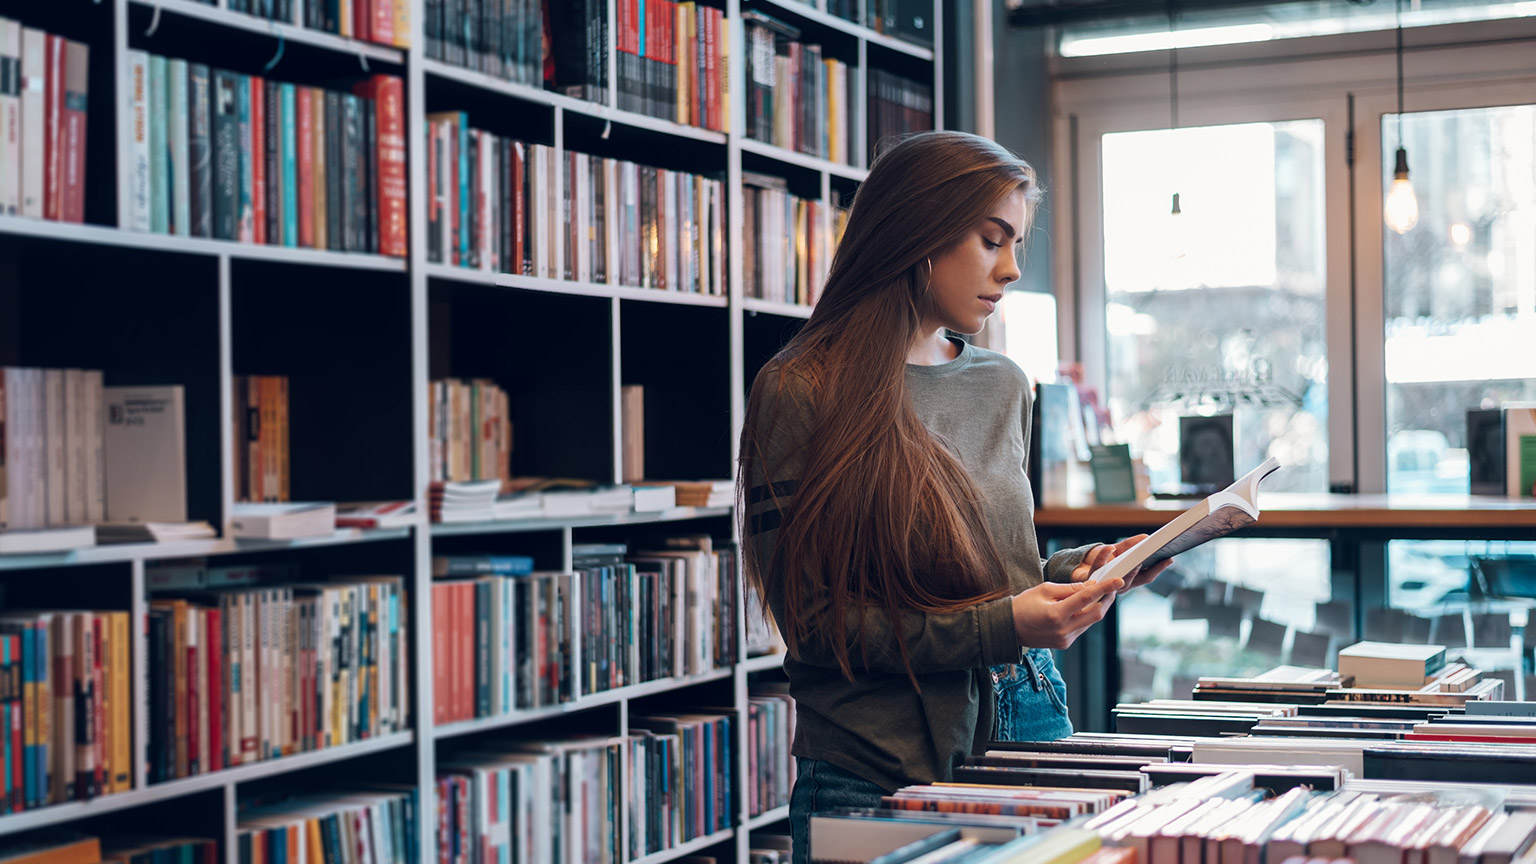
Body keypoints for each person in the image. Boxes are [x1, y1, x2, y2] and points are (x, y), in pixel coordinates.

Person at [736, 131, 1171, 863]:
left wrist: (1077, 574)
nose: (1011, 268)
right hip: (878, 770)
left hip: (1031, 729)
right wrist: (1007, 623)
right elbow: (819, 629)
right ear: (918, 231)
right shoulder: (801, 390)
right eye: (991, 239)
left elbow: (999, 576)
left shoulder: (1003, 384)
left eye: (1017, 242)